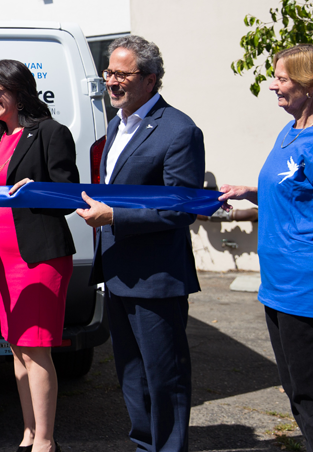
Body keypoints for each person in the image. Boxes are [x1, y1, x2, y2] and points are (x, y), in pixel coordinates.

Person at [76, 35, 204, 452]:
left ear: (150, 80)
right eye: (108, 71)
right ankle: (144, 444)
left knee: (164, 377)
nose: (110, 81)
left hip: (157, 278)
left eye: (121, 74)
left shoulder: (180, 130)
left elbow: (181, 208)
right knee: (131, 375)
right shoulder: (118, 124)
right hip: (118, 272)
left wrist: (114, 217)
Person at [219, 44, 313, 451]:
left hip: (308, 288)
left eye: (282, 78)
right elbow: (296, 195)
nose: (273, 86)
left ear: (311, 84)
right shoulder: (290, 131)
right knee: (295, 390)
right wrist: (250, 192)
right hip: (278, 285)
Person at [0, 59, 79, 452]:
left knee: (36, 348)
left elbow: (68, 195)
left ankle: (46, 442)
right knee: (16, 347)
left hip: (39, 257)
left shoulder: (50, 132)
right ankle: (29, 433)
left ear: (19, 90)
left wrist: (36, 189)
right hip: (3, 257)